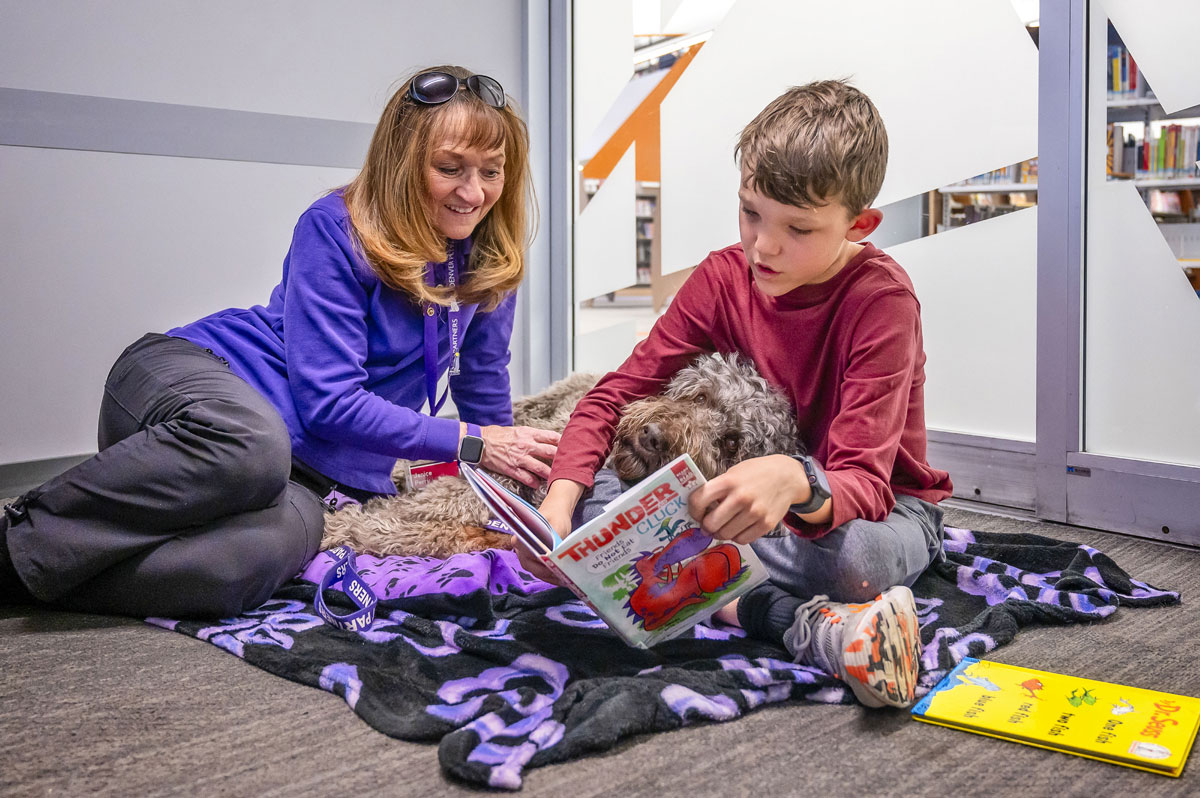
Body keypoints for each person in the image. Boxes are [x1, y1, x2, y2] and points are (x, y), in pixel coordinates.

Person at [0, 65, 558, 619]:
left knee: (241, 569)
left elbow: (487, 400)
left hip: (308, 474)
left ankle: (25, 577)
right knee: (252, 449)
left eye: (492, 171)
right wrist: (471, 441)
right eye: (449, 168)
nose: (473, 191)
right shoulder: (335, 227)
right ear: (404, 163)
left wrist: (531, 505)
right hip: (190, 386)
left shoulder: (488, 263)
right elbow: (331, 405)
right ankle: (19, 536)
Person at [522, 80, 952, 709]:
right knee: (596, 504)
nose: (764, 245)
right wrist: (558, 508)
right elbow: (611, 396)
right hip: (734, 508)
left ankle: (735, 599)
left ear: (859, 224)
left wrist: (795, 480)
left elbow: (866, 479)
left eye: (798, 228)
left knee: (860, 563)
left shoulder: (882, 302)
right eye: (751, 212)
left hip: (872, 513)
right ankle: (800, 623)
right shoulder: (723, 276)